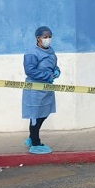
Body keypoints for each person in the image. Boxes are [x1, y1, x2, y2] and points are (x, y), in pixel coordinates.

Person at [22, 25, 60, 154]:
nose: (48, 39)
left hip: (47, 87)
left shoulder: (50, 50)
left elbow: (54, 64)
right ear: (38, 38)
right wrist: (47, 76)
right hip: (35, 89)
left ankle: (31, 137)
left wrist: (56, 71)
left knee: (44, 113)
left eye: (50, 37)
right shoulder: (31, 53)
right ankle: (35, 142)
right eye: (45, 37)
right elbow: (30, 70)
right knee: (35, 116)